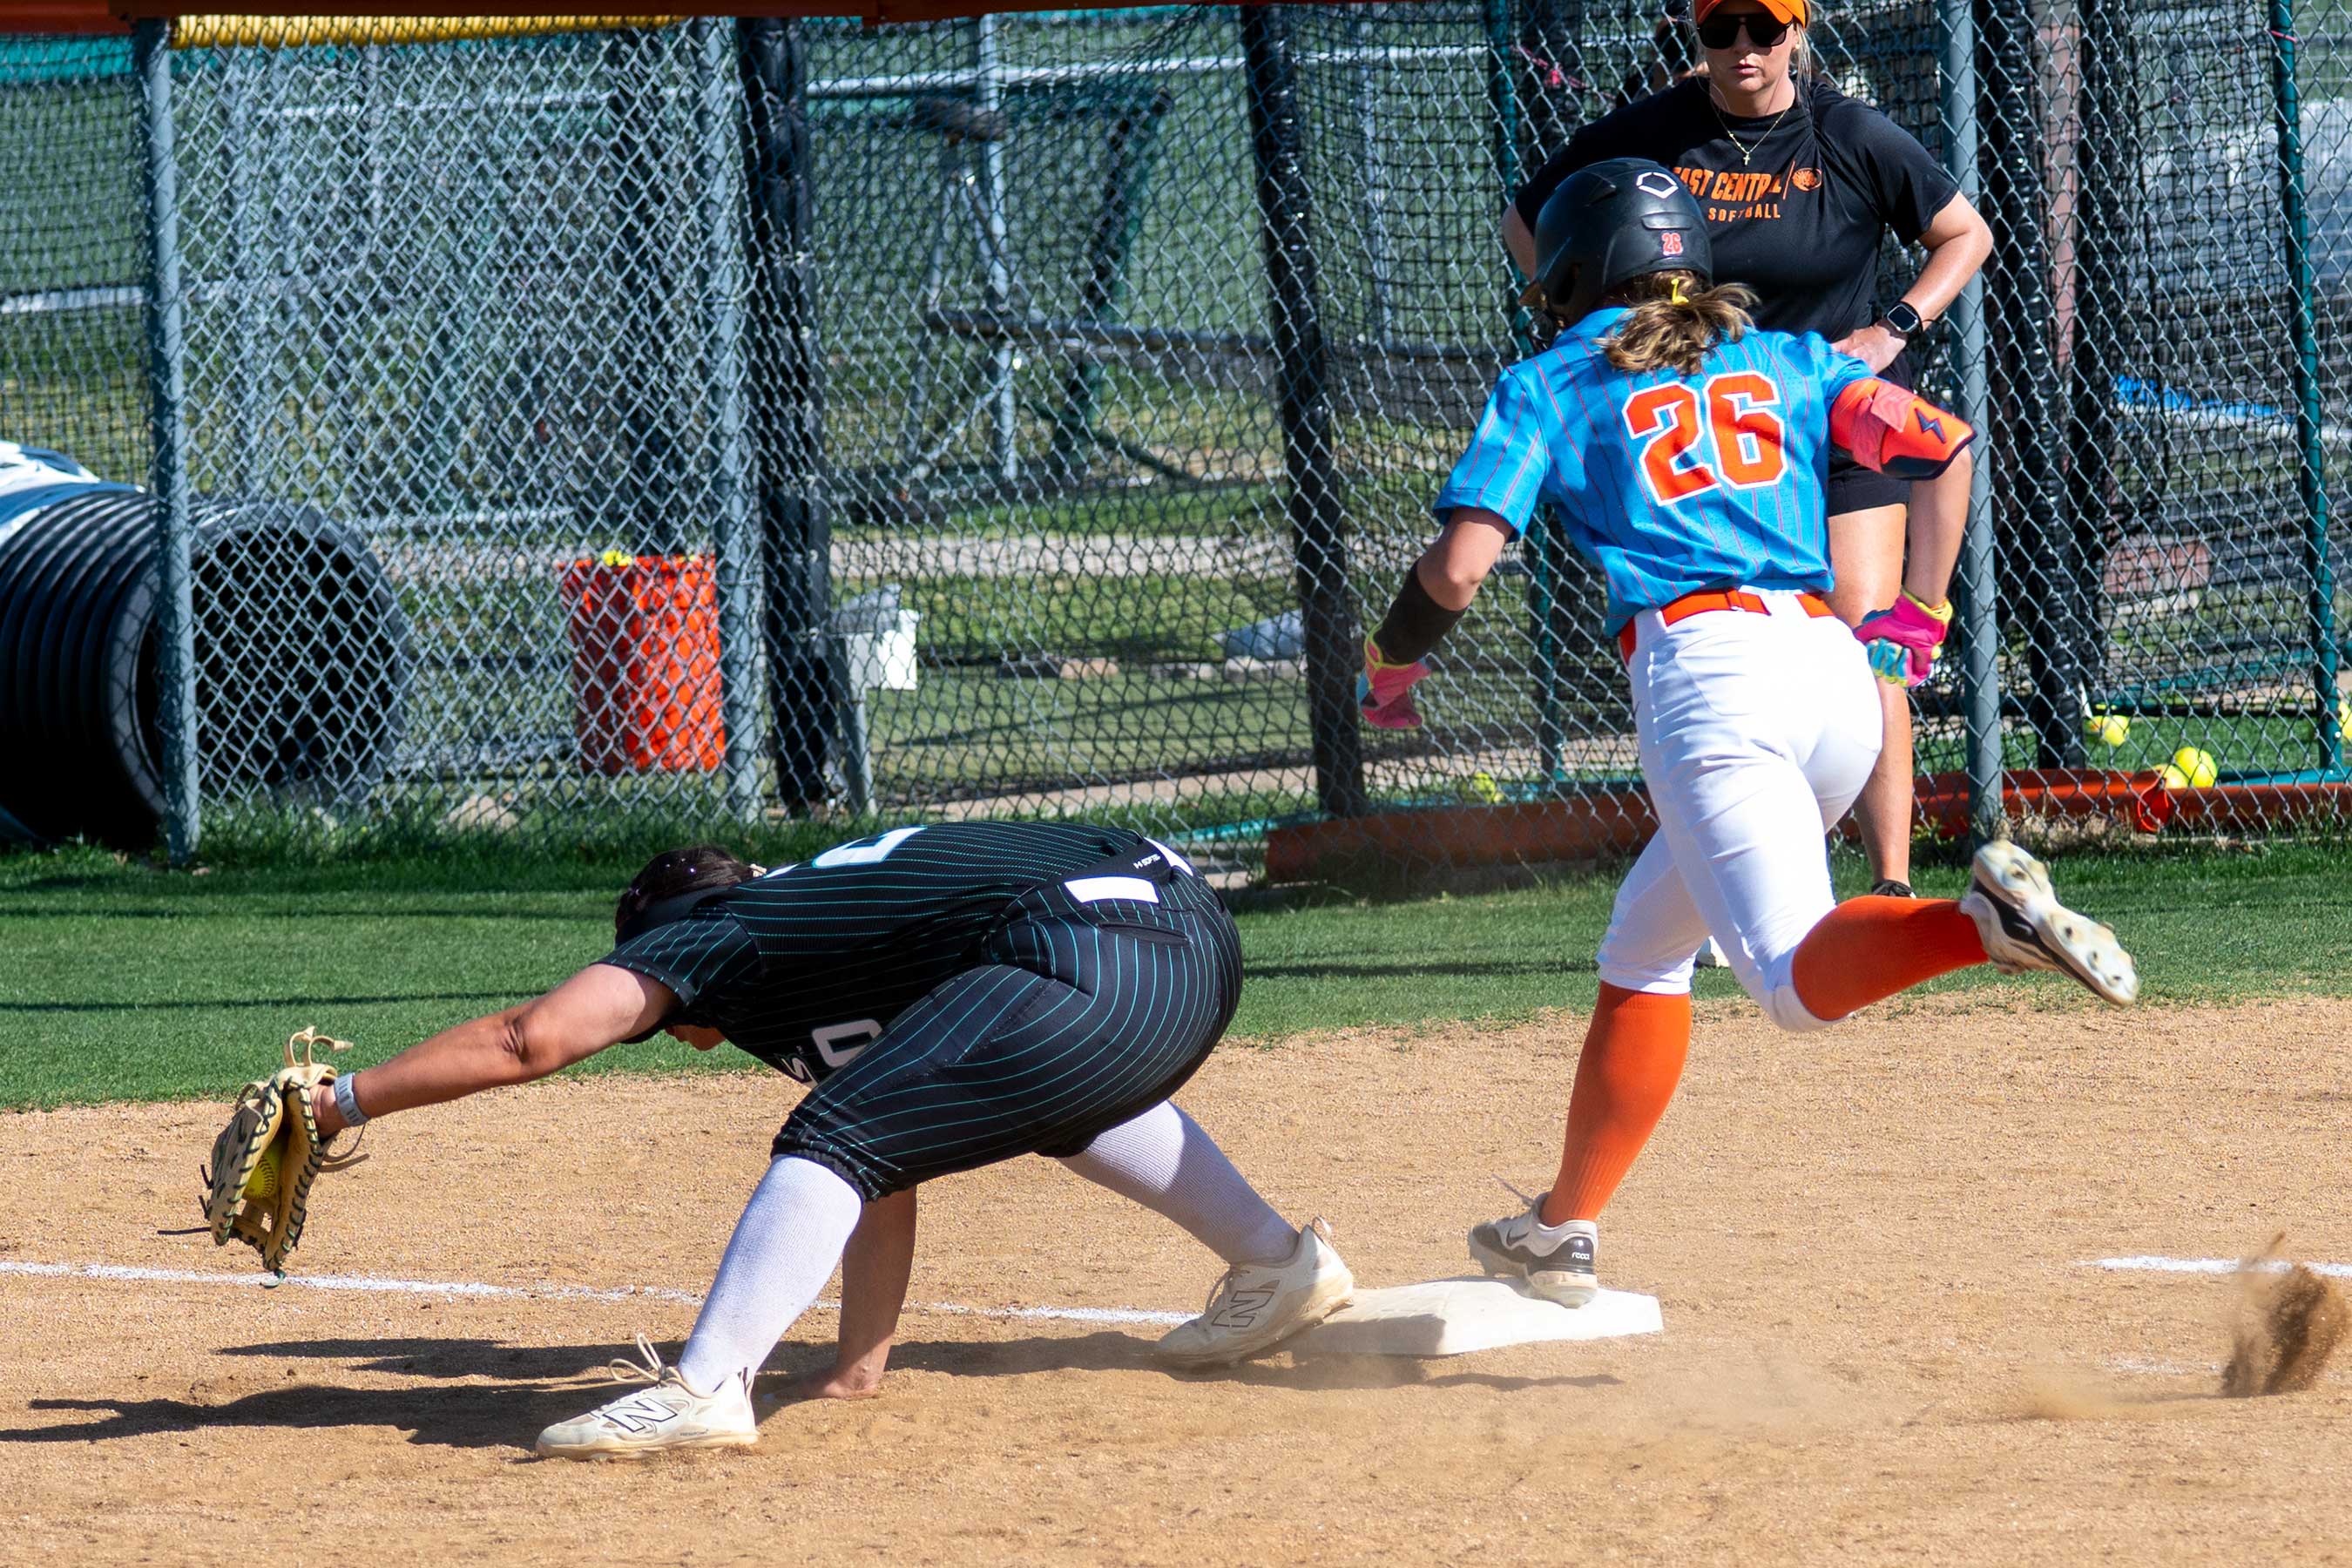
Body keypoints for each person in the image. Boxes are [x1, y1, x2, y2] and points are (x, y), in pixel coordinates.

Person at [1358, 159, 2135, 1308]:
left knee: (1788, 988)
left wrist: (1391, 661)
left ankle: (1979, 927)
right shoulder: (1788, 359)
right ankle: (1561, 1230)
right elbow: (1945, 446)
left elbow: (1460, 570)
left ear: (1573, 272)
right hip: (1831, 674)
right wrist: (1921, 613)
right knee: (1644, 947)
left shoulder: (1552, 381)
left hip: (1711, 681)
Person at [297, 821, 1354, 1458]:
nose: (674, 1026)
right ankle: (1278, 1264)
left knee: (832, 1132)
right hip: (1184, 944)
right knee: (1014, 1092)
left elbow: (530, 1039)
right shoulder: (826, 940)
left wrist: (338, 1102)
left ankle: (705, 1388)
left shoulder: (721, 932)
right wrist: (857, 1368)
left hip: (1098, 947)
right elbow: (888, 1163)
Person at [1500, 0, 1993, 899]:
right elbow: (1528, 219)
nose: (1742, 49)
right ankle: (1760, 878)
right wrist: (1590, 327)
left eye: (1763, 29)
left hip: (1834, 410)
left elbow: (1968, 233)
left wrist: (1892, 328)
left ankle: (1890, 887)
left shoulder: (1847, 133)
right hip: (1721, 427)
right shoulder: (1658, 130)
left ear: (1797, 31)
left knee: (1865, 637)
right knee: (1726, 652)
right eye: (1720, 30)